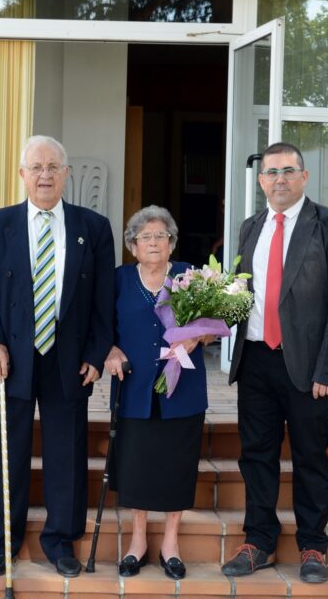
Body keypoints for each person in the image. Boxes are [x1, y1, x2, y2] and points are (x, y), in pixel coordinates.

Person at [221, 142, 328, 583]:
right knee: (256, 454)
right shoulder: (250, 227)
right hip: (256, 359)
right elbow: (240, 292)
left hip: (308, 365)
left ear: (304, 177)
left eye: (288, 170)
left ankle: (312, 547)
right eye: (271, 172)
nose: (279, 179)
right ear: (261, 180)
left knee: (310, 456)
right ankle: (259, 540)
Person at [0, 135, 114, 578]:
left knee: (67, 453)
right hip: (11, 358)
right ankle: (0, 543)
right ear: (22, 174)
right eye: (36, 167)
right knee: (6, 452)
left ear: (66, 174)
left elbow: (103, 300)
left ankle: (61, 541)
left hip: (68, 358)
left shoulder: (93, 227)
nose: (45, 175)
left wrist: (96, 352)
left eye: (53, 167)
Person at [103, 206, 207, 580]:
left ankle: (171, 544)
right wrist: (110, 350)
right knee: (136, 465)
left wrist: (200, 335)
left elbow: (218, 321)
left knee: (177, 464)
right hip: (134, 386)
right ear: (132, 246)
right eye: (144, 237)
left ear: (171, 243)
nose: (152, 242)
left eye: (159, 236)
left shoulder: (190, 276)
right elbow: (102, 325)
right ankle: (138, 542)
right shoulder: (118, 279)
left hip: (183, 386)